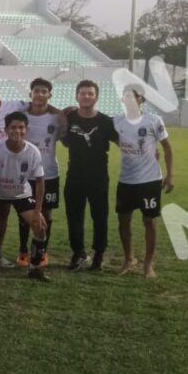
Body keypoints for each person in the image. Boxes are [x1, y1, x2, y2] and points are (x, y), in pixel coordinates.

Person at [0, 112, 50, 282]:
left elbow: (40, 182)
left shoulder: (32, 152)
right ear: (6, 130)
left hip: (21, 194)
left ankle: (35, 267)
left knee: (39, 225)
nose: (17, 131)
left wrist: (38, 211)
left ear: (26, 130)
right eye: (13, 127)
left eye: (21, 127)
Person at [113, 87, 174, 278]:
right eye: (127, 96)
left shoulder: (154, 120)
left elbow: (167, 148)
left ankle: (148, 264)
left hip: (149, 180)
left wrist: (170, 175)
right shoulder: (116, 121)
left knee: (149, 221)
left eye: (135, 96)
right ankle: (129, 258)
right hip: (126, 180)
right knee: (123, 221)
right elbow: (117, 140)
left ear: (142, 100)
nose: (131, 99)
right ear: (122, 99)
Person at [58, 80, 117, 271]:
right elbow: (65, 141)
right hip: (74, 174)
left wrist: (148, 152)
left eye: (90, 93)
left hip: (98, 175)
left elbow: (123, 143)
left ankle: (99, 253)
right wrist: (62, 116)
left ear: (96, 97)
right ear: (77, 96)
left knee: (100, 216)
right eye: (83, 93)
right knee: (74, 216)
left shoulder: (106, 122)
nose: (86, 96)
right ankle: (78, 253)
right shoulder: (69, 117)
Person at [18, 78, 59, 267]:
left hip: (49, 173)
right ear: (30, 94)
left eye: (44, 91)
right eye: (37, 91)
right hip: (26, 175)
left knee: (47, 215)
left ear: (49, 95)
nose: (40, 94)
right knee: (25, 215)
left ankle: (42, 251)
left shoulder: (56, 118)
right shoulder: (22, 116)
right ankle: (23, 251)